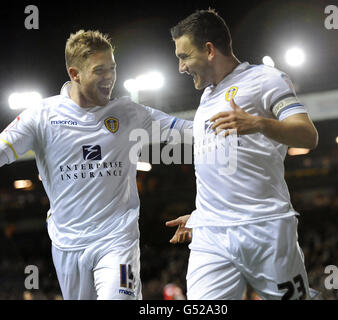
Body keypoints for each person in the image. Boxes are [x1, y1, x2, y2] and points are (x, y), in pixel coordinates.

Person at [0, 30, 192, 300]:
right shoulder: (41, 117)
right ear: (74, 73)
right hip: (68, 245)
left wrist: (240, 125)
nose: (110, 78)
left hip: (117, 239)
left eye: (112, 69)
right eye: (99, 70)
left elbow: (187, 130)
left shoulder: (126, 113)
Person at [166, 9, 319, 300]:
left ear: (209, 50)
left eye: (184, 56)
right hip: (211, 233)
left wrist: (258, 123)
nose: (181, 67)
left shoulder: (266, 79)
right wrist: (202, 213)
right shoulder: (207, 97)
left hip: (265, 228)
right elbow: (220, 166)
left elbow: (308, 135)